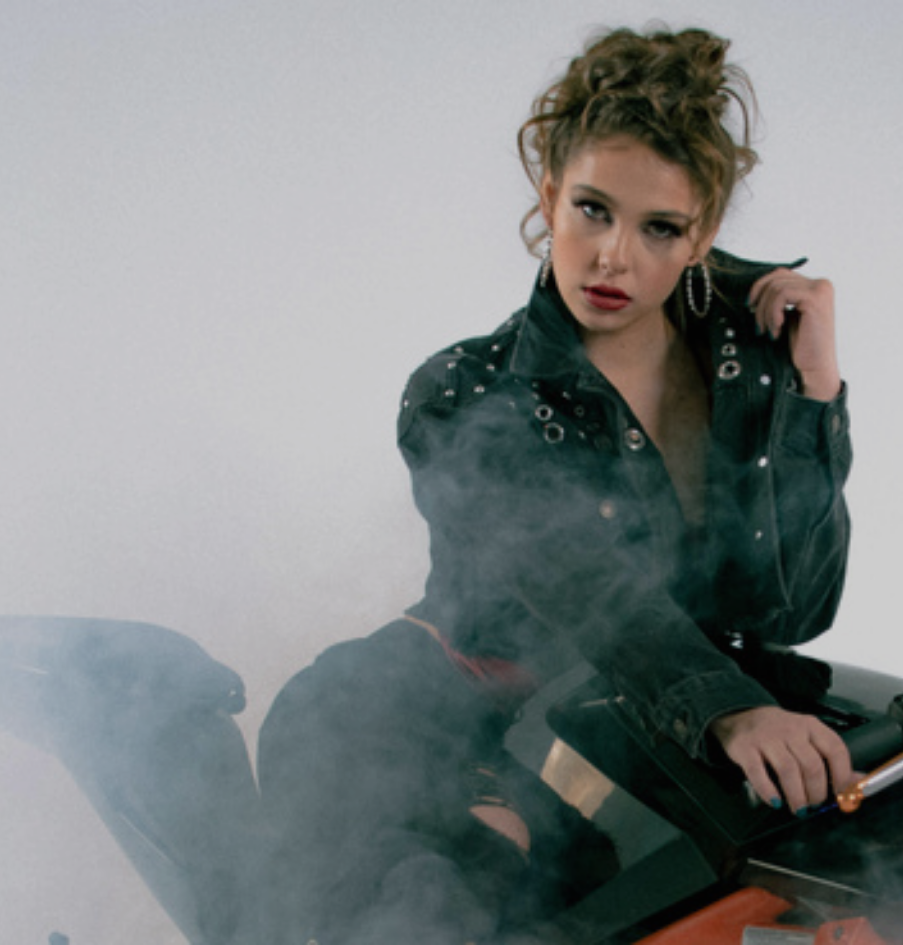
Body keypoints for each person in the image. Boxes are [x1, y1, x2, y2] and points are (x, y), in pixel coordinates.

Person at [254, 25, 853, 943]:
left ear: (703, 236)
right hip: (418, 719)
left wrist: (814, 394)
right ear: (548, 196)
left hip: (620, 735)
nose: (614, 257)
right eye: (592, 210)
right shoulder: (464, 390)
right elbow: (584, 587)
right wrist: (730, 711)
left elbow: (791, 607)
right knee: (442, 909)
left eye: (660, 228)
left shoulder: (747, 365)